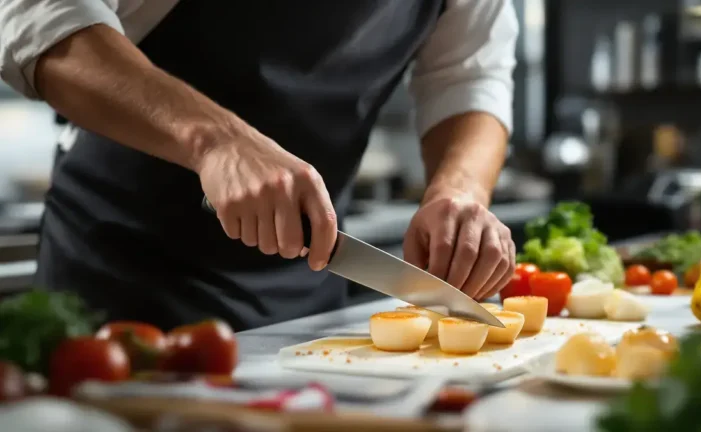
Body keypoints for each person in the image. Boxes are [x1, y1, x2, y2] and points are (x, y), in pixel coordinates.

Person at [0, 0, 519, 331]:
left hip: (308, 299)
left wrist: (460, 194)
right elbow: (38, 18)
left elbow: (471, 77)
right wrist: (216, 140)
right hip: (121, 284)